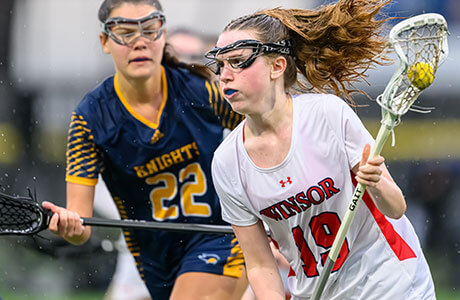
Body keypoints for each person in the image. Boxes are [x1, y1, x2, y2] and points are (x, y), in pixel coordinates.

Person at [207, 0, 435, 299]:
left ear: (277, 66)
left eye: (238, 61)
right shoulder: (227, 161)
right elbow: (260, 264)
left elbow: (396, 208)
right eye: (220, 65)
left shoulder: (327, 114)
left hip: (392, 284)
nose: (224, 74)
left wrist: (377, 182)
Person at [41, 0, 247, 299]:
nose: (139, 42)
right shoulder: (90, 118)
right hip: (154, 259)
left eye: (149, 30)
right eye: (124, 32)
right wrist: (71, 228)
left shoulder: (201, 90)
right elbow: (81, 222)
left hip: (222, 236)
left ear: (163, 35)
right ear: (105, 42)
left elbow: (265, 134)